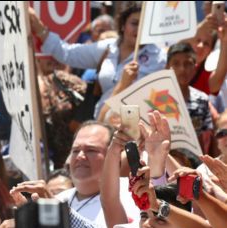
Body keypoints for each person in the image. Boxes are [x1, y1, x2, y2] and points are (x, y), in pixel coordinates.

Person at [31, 4, 166, 118]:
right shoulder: (108, 48)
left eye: (144, 25)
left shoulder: (160, 58)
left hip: (135, 130)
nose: (139, 29)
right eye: (134, 23)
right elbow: (68, 53)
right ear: (123, 25)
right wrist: (39, 28)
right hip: (103, 125)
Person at [167, 42, 214, 153]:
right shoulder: (158, 98)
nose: (182, 69)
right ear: (167, 67)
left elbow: (205, 137)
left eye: (188, 64)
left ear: (195, 67)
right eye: (176, 63)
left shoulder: (202, 99)